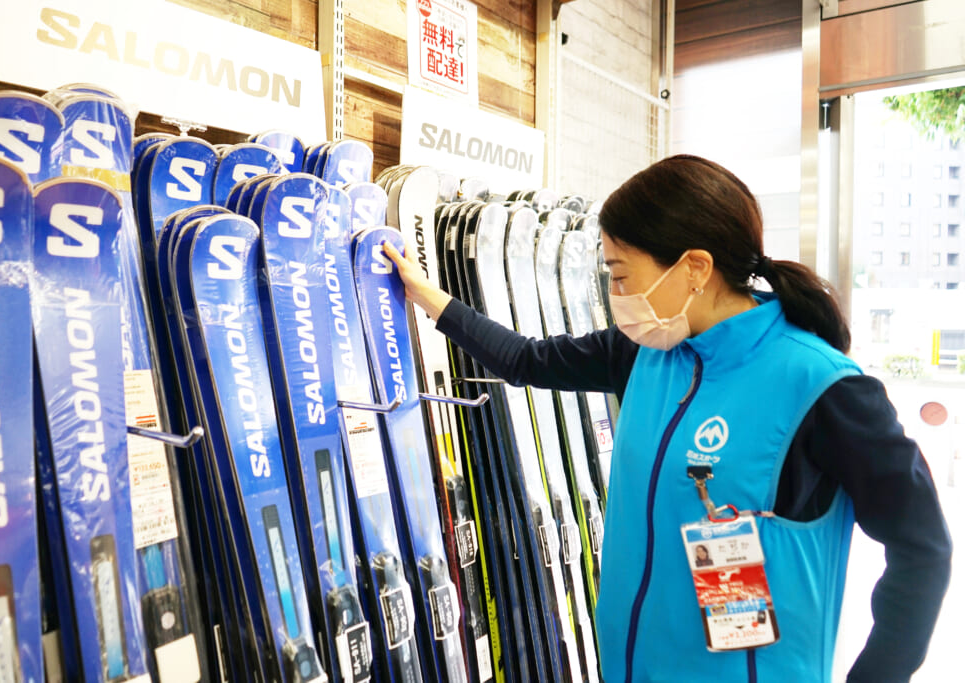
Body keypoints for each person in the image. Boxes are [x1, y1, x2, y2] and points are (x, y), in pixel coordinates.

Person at [381, 154, 952, 683]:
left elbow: (923, 549)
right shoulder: (647, 352)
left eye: (622, 273)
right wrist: (426, 294)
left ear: (695, 268)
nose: (615, 292)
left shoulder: (823, 388)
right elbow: (528, 360)